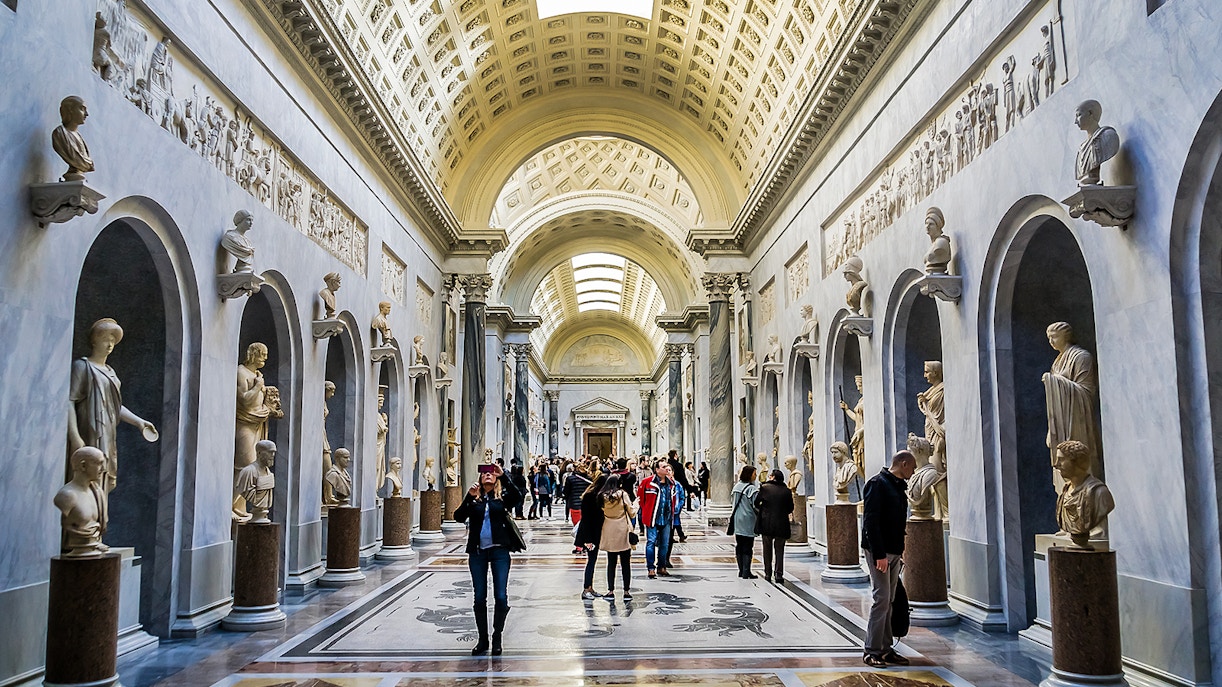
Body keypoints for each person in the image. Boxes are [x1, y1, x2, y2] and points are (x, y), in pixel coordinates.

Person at [453, 463, 523, 656]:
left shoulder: (502, 498)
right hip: (478, 552)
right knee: (479, 596)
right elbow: (458, 517)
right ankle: (482, 639)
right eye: (484, 473)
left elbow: (519, 496)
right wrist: (469, 497)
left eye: (491, 473)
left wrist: (505, 476)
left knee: (500, 596)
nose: (488, 476)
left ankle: (497, 636)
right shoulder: (474, 498)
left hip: (499, 551)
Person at [861, 450, 917, 668]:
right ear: (903, 464)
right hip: (881, 552)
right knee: (881, 599)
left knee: (890, 600)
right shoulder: (878, 483)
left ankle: (885, 648)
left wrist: (898, 552)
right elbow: (871, 522)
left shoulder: (897, 486)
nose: (913, 473)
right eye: (912, 468)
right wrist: (880, 554)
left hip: (893, 551)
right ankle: (872, 650)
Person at [598, 474, 637, 599]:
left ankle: (610, 590)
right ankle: (626, 591)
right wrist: (636, 504)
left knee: (611, 562)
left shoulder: (601, 496)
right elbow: (631, 512)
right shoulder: (623, 495)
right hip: (622, 529)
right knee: (625, 563)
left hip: (608, 528)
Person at [638, 461, 679, 578]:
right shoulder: (647, 482)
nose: (667, 468)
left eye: (667, 466)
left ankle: (662, 566)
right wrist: (645, 511)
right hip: (652, 517)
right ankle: (651, 568)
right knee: (651, 542)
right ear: (656, 470)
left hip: (666, 518)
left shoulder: (671, 483)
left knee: (664, 544)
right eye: (663, 467)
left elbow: (673, 499)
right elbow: (641, 498)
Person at [754, 468, 794, 582]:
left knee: (767, 549)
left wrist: (763, 511)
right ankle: (778, 574)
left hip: (767, 523)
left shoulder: (765, 488)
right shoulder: (786, 491)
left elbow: (756, 503)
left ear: (773, 477)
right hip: (782, 523)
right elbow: (790, 508)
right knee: (779, 550)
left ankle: (767, 573)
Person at [574, 473, 608, 599]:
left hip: (595, 532)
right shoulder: (590, 497)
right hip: (590, 533)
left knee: (593, 560)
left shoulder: (595, 495)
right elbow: (587, 519)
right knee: (591, 561)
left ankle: (590, 587)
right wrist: (588, 540)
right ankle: (586, 588)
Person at [730, 465, 760, 579]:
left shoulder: (736, 487)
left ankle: (741, 570)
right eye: (754, 474)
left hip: (738, 519)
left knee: (739, 544)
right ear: (749, 474)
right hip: (748, 519)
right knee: (748, 545)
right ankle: (746, 571)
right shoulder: (751, 489)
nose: (755, 476)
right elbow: (755, 505)